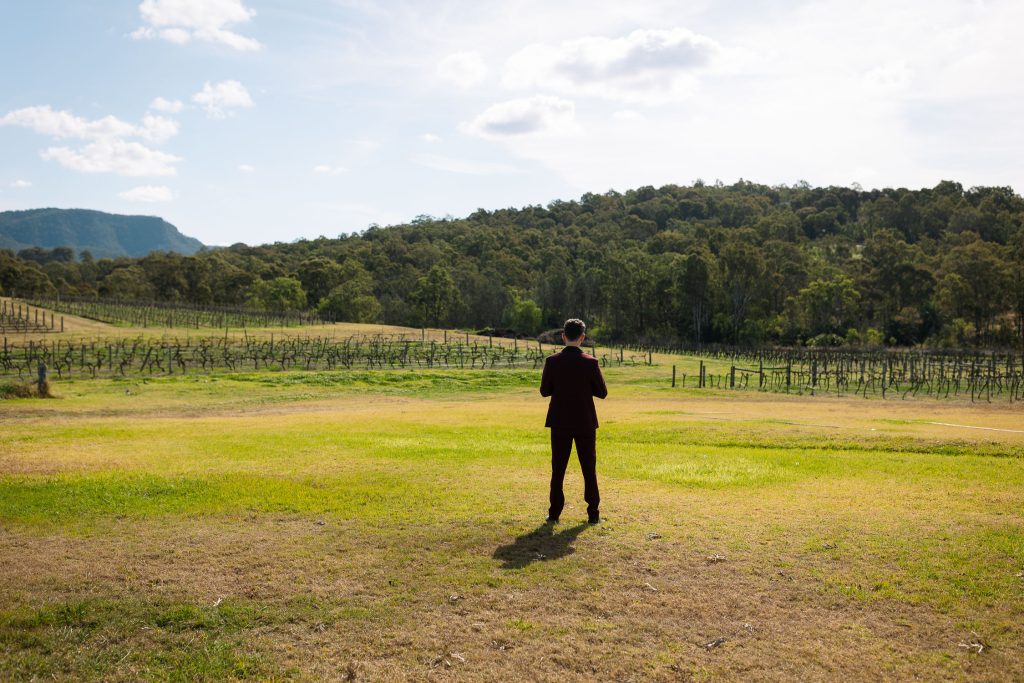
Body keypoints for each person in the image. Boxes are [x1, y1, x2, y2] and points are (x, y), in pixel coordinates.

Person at [539, 318, 608, 524]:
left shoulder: (552, 361)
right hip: (584, 422)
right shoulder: (590, 362)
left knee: (558, 469)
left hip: (559, 421)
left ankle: (554, 513)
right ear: (582, 337)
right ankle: (593, 514)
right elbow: (602, 392)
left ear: (563, 336)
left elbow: (544, 391)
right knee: (589, 468)